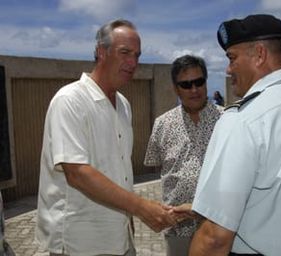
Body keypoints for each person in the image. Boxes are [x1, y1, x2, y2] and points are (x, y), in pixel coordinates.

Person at [174, 14, 281, 255]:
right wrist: (206, 206)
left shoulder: (243, 119)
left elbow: (214, 238)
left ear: (260, 54)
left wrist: (216, 217)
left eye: (232, 58)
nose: (228, 69)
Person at [35, 19, 176, 256]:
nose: (133, 63)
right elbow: (77, 173)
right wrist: (141, 207)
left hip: (119, 238)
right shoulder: (69, 100)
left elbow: (119, 170)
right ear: (102, 52)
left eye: (137, 55)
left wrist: (129, 221)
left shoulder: (123, 105)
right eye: (125, 53)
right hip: (80, 242)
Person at [144, 55, 222, 256]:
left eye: (199, 82)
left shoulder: (228, 120)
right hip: (177, 228)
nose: (194, 90)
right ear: (176, 88)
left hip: (219, 226)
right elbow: (156, 163)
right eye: (186, 85)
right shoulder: (162, 124)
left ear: (206, 82)